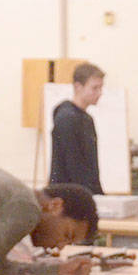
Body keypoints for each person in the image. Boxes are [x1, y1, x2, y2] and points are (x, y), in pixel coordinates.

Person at [50, 61, 105, 194]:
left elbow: (91, 166)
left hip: (85, 193)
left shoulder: (87, 119)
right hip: (69, 196)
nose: (100, 93)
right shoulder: (66, 118)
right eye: (95, 88)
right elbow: (73, 165)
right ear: (78, 87)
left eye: (101, 88)